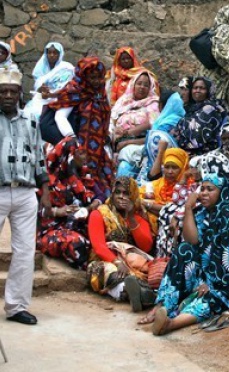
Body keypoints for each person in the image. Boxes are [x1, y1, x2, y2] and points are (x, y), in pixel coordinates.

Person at [149, 175, 229, 335]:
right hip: (208, 273)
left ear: (222, 192)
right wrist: (188, 208)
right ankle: (163, 306)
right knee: (184, 249)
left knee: (213, 297)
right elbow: (192, 241)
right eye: (202, 189)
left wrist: (211, 284)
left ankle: (172, 323)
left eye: (210, 189)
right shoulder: (205, 213)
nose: (203, 193)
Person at [0, 68, 49, 325]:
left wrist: (47, 192)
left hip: (25, 192)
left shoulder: (31, 119)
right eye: (3, 91)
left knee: (25, 251)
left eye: (12, 91)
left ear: (20, 94)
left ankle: (16, 306)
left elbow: (39, 157)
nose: (7, 95)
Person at [49, 56, 114, 196]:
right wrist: (72, 139)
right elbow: (60, 116)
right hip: (78, 147)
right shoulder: (74, 91)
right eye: (92, 77)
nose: (96, 81)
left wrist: (107, 135)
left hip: (97, 149)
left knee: (101, 184)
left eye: (98, 77)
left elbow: (106, 116)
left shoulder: (100, 94)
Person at [37, 137, 104, 269]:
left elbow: (101, 195)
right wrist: (59, 211)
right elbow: (36, 211)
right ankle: (93, 270)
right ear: (68, 156)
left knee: (104, 237)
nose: (85, 157)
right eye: (80, 153)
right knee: (76, 243)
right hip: (53, 229)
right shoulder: (47, 181)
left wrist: (90, 207)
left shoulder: (83, 174)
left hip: (78, 224)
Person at [87, 177, 154, 302]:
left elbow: (146, 246)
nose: (121, 197)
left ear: (133, 196)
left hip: (133, 262)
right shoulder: (99, 214)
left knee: (153, 271)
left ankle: (139, 293)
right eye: (117, 192)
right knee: (109, 271)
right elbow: (98, 246)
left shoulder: (138, 215)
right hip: (106, 261)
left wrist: (131, 217)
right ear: (112, 193)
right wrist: (117, 262)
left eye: (126, 193)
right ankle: (129, 292)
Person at [196, 5, 229, 124]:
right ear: (226, 18)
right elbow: (223, 55)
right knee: (221, 108)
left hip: (209, 77)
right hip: (220, 79)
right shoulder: (227, 31)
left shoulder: (215, 30)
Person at [140, 145, 189, 233]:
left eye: (174, 167)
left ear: (183, 168)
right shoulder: (158, 184)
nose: (170, 171)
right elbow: (136, 195)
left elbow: (176, 210)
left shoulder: (188, 188)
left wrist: (148, 205)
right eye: (167, 167)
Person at [173, 76, 227, 156]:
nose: (197, 90)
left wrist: (180, 135)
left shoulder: (209, 109)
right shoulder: (193, 108)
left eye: (202, 88)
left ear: (208, 91)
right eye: (195, 88)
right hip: (188, 152)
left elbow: (197, 139)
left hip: (203, 154)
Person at [111, 71, 160, 156]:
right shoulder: (124, 101)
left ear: (150, 88)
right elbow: (112, 119)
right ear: (133, 85)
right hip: (117, 140)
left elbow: (154, 122)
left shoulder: (153, 103)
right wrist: (115, 130)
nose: (142, 87)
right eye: (139, 83)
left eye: (146, 85)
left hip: (138, 142)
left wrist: (128, 133)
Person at [24, 42, 74, 120]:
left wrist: (51, 94)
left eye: (55, 53)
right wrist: (42, 89)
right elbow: (38, 88)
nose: (52, 55)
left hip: (60, 97)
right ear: (46, 54)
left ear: (60, 54)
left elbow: (66, 87)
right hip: (43, 97)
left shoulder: (66, 68)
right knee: (30, 113)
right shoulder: (41, 68)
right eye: (49, 52)